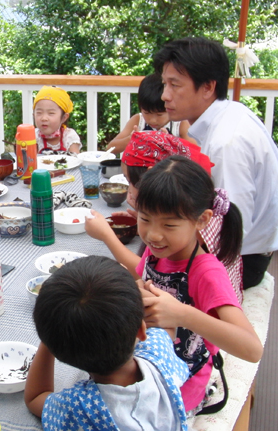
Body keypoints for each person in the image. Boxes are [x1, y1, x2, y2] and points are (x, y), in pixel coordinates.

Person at [135, 156, 262, 414]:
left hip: (180, 388)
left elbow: (252, 349)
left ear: (202, 220)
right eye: (145, 219)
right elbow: (140, 280)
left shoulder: (206, 273)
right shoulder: (157, 249)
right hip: (149, 361)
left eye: (169, 225)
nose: (153, 234)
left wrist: (182, 314)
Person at [154, 37, 278, 289]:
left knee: (147, 263)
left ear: (208, 87)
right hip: (246, 248)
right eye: (164, 84)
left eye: (175, 85)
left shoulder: (227, 143)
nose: (164, 95)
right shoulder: (230, 113)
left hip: (243, 260)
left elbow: (231, 232)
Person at [25, 255, 190, 430]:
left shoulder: (78, 407)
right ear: (141, 330)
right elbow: (167, 325)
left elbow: (36, 397)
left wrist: (50, 334)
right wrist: (133, 293)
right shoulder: (159, 358)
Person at [86, 131, 244, 303]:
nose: (154, 235)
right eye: (146, 219)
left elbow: (243, 331)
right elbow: (145, 274)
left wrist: (107, 236)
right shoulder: (161, 244)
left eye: (130, 180)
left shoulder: (206, 268)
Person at [106, 73, 193, 154]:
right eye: (146, 113)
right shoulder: (138, 120)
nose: (153, 120)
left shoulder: (180, 123)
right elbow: (110, 148)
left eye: (159, 115)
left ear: (170, 107)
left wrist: (171, 142)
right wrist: (130, 139)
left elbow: (194, 152)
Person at [33, 85, 81, 154]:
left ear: (64, 117)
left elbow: (75, 160)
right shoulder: (34, 136)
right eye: (39, 113)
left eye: (51, 113)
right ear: (33, 115)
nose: (44, 118)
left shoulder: (69, 136)